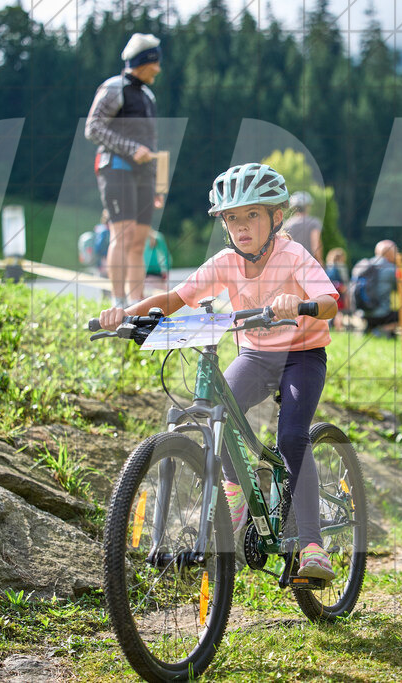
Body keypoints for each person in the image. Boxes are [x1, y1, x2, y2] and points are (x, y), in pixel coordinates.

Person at [97, 163, 339, 580]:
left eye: (252, 215)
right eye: (232, 218)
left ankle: (314, 546)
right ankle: (234, 491)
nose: (241, 226)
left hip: (301, 353)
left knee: (291, 436)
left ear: (276, 218)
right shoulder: (225, 261)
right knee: (211, 408)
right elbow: (176, 297)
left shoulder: (293, 254)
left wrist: (296, 304)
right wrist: (125, 313)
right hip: (257, 355)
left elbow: (329, 299)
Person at [86, 32, 165, 309]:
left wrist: (158, 185)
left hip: (145, 176)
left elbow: (151, 144)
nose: (159, 68)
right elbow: (93, 128)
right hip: (116, 168)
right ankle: (117, 302)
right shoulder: (113, 87)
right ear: (145, 61)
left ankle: (136, 304)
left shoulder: (147, 95)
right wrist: (131, 149)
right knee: (124, 235)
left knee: (140, 240)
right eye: (156, 63)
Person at [360, 240, 399, 337]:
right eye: (396, 251)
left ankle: (371, 328)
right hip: (382, 313)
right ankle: (381, 330)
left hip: (362, 311)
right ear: (390, 253)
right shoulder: (391, 269)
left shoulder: (364, 265)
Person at [281, 191, 323, 264]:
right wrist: (320, 261)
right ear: (307, 206)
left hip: (292, 263)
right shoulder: (314, 222)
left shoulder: (286, 224)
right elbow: (315, 244)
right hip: (309, 263)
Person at [324, 247, 349, 330]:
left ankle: (333, 326)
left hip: (330, 293)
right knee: (339, 312)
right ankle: (339, 328)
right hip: (340, 293)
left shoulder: (328, 268)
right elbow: (344, 282)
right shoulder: (340, 268)